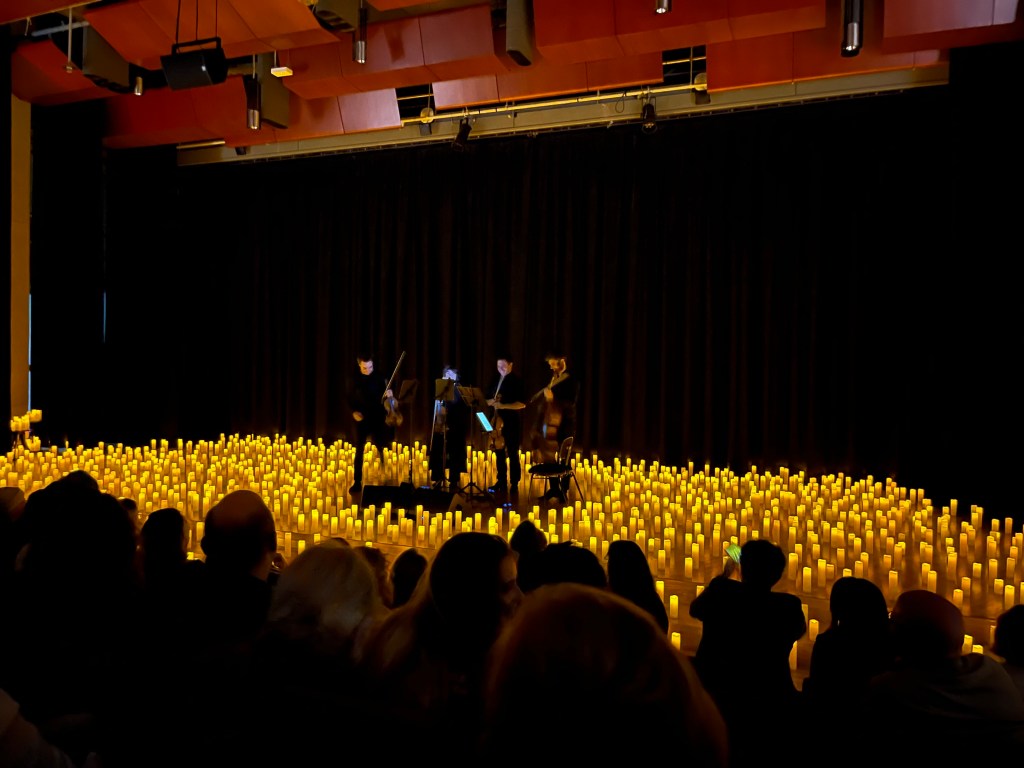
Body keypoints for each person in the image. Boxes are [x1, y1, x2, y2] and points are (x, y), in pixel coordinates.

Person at [688, 538, 806, 768]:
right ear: (777, 575)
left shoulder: (722, 591)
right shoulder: (788, 606)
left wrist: (724, 576)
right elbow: (798, 630)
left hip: (715, 691)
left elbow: (696, 609)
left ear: (743, 568)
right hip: (768, 700)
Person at [530, 352, 579, 503]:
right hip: (551, 423)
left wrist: (553, 398)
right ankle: (553, 488)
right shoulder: (554, 378)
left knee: (564, 457)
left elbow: (571, 403)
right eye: (550, 365)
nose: (551, 368)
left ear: (562, 361)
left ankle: (563, 489)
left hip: (565, 423)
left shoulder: (572, 379)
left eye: (553, 364)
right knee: (549, 455)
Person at [348, 352, 395, 495]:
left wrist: (390, 395)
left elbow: (387, 397)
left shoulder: (380, 377)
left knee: (381, 445)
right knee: (359, 449)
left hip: (378, 416)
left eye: (370, 367)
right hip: (362, 418)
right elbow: (349, 397)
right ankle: (357, 481)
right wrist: (353, 412)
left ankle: (385, 475)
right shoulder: (354, 379)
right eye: (364, 368)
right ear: (359, 365)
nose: (368, 371)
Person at [485, 355, 527, 498]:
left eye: (503, 366)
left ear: (510, 365)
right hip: (496, 421)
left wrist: (503, 406)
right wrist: (490, 401)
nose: (501, 369)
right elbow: (486, 398)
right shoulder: (495, 379)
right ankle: (501, 481)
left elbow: (522, 403)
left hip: (511, 422)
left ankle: (514, 482)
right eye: (498, 366)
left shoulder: (516, 381)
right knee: (499, 453)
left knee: (513, 453)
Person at [428, 364, 468, 490]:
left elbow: (461, 409)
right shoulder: (441, 388)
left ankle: (454, 480)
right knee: (438, 449)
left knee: (455, 451)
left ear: (456, 377)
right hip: (441, 426)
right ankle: (438, 477)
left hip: (455, 425)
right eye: (446, 375)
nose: (448, 377)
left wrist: (449, 411)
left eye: (451, 375)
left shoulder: (460, 390)